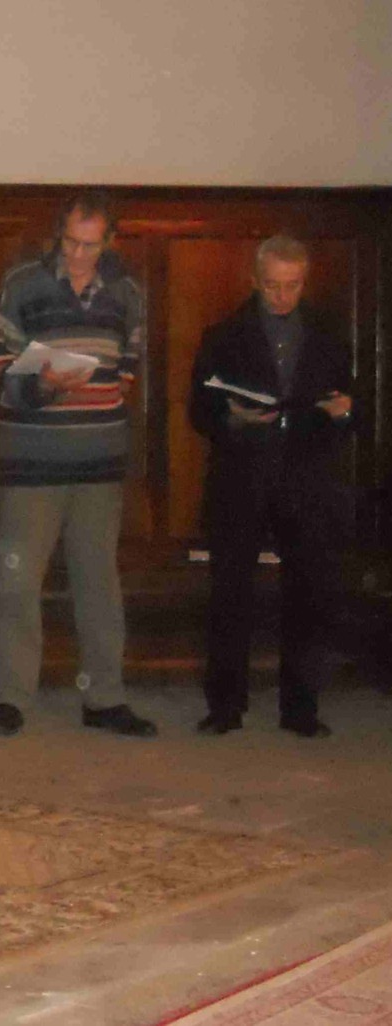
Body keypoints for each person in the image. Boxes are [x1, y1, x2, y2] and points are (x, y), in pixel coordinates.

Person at [0, 191, 159, 739]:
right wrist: (42, 386)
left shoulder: (128, 293)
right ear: (58, 237)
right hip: (32, 459)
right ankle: (10, 698)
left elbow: (127, 371)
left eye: (91, 245)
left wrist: (93, 392)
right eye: (71, 243)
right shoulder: (22, 284)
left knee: (98, 584)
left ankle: (103, 697)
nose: (79, 255)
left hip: (99, 461)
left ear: (110, 241)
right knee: (17, 584)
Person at [188, 235, 353, 738]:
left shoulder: (328, 334)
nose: (283, 296)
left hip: (304, 476)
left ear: (305, 281)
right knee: (230, 591)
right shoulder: (223, 335)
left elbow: (349, 406)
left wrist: (342, 413)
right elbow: (200, 409)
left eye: (293, 286)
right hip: (242, 475)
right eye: (273, 286)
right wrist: (233, 417)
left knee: (308, 591)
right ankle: (225, 704)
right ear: (255, 281)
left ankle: (300, 707)